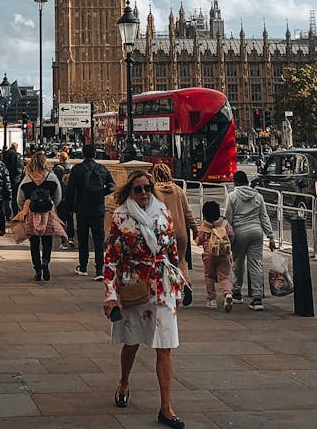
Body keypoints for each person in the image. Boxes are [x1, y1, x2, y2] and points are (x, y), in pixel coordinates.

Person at [101, 169, 186, 429]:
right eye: (138, 189)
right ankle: (124, 381)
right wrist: (110, 295)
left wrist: (179, 285)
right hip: (134, 284)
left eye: (147, 187)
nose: (144, 193)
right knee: (132, 343)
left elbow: (172, 252)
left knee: (165, 346)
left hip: (162, 286)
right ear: (130, 191)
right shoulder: (121, 216)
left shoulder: (163, 213)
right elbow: (111, 257)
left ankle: (166, 407)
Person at [224, 170, 276, 311]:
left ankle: (236, 292)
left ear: (235, 182)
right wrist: (271, 237)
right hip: (256, 232)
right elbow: (264, 217)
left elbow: (228, 218)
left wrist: (227, 237)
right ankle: (257, 298)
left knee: (238, 263)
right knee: (256, 264)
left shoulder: (232, 196)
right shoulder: (258, 196)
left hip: (240, 232)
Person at [15, 150, 65, 281]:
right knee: (47, 239)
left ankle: (37, 269)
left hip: (32, 213)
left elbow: (19, 198)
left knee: (34, 242)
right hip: (47, 213)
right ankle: (45, 262)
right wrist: (52, 205)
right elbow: (58, 196)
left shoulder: (27, 178)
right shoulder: (52, 177)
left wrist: (25, 209)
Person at [66, 143, 114, 279]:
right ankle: (99, 270)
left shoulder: (77, 169)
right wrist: (101, 194)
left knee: (83, 239)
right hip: (98, 209)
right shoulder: (102, 169)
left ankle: (83, 266)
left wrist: (70, 208)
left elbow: (69, 190)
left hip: (82, 208)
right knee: (98, 240)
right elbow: (112, 186)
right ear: (94, 154)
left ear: (83, 154)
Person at [151, 163, 195, 291]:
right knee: (181, 260)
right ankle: (185, 283)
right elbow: (188, 212)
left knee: (164, 261)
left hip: (163, 233)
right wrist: (195, 229)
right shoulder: (178, 190)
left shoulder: (153, 192)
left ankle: (172, 287)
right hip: (181, 233)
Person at [194, 199, 235, 311]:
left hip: (209, 255)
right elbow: (231, 235)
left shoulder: (204, 226)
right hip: (224, 254)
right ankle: (227, 294)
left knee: (209, 276)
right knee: (224, 276)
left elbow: (198, 241)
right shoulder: (225, 224)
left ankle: (211, 300)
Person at [52, 150, 76, 250]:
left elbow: (55, 184)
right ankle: (71, 238)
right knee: (70, 219)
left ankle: (64, 241)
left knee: (61, 220)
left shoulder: (57, 169)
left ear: (60, 159)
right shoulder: (73, 168)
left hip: (61, 197)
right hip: (71, 197)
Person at [3, 143, 23, 215]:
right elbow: (19, 169)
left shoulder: (4, 154)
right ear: (16, 147)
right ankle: (15, 213)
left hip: (6, 177)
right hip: (15, 179)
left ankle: (7, 214)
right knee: (15, 197)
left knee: (6, 197)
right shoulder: (17, 155)